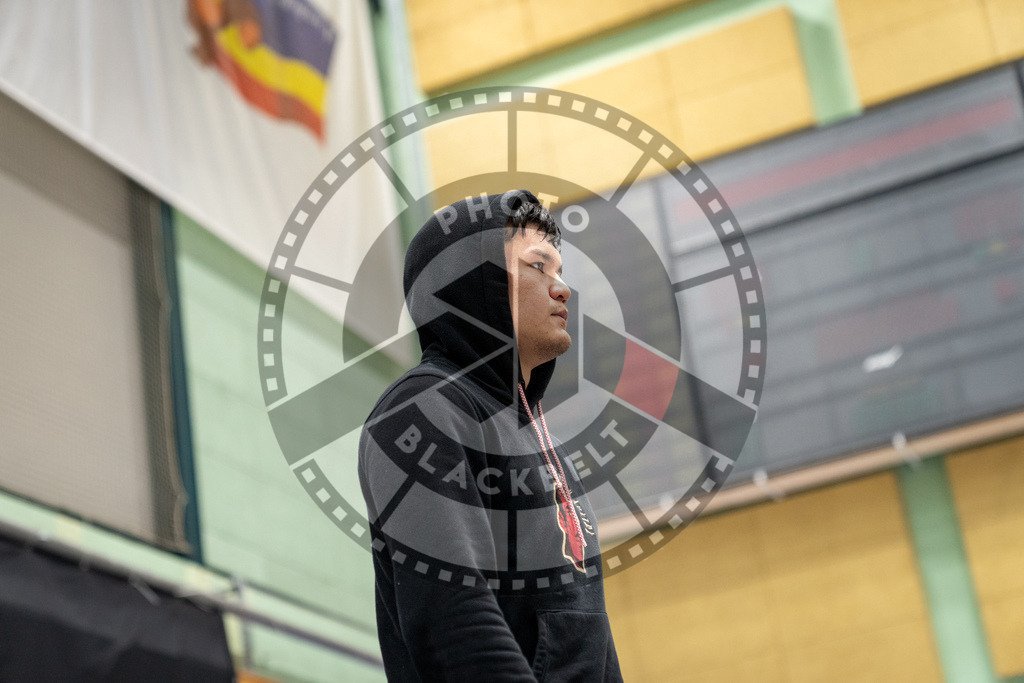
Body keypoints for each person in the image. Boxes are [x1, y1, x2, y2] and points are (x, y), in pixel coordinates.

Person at [358, 190, 623, 681]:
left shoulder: (541, 439)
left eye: (559, 270)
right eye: (538, 266)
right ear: (472, 278)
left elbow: (591, 637)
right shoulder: (421, 411)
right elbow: (454, 619)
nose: (562, 288)